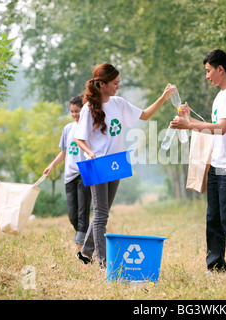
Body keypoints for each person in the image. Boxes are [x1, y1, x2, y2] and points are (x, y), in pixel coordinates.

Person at [74, 63, 174, 268]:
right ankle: (103, 262)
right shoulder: (88, 108)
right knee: (101, 214)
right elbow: (79, 139)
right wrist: (89, 152)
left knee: (104, 211)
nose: (117, 87)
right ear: (101, 84)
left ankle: (86, 252)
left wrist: (163, 98)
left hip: (117, 162)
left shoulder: (118, 103)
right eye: (114, 83)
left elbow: (144, 115)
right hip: (97, 163)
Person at [171, 49, 226, 273]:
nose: (207, 76)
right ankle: (215, 265)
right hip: (216, 164)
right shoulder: (220, 96)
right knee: (213, 217)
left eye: (208, 71)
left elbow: (222, 129)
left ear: (220, 69)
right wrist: (188, 118)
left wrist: (189, 126)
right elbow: (211, 128)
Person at [43, 95, 92, 246]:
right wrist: (52, 165)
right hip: (69, 176)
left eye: (77, 111)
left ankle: (82, 246)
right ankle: (90, 240)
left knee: (83, 213)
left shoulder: (91, 128)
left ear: (84, 110)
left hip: (85, 173)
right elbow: (64, 152)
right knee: (73, 216)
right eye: (72, 111)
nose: (74, 114)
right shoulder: (68, 129)